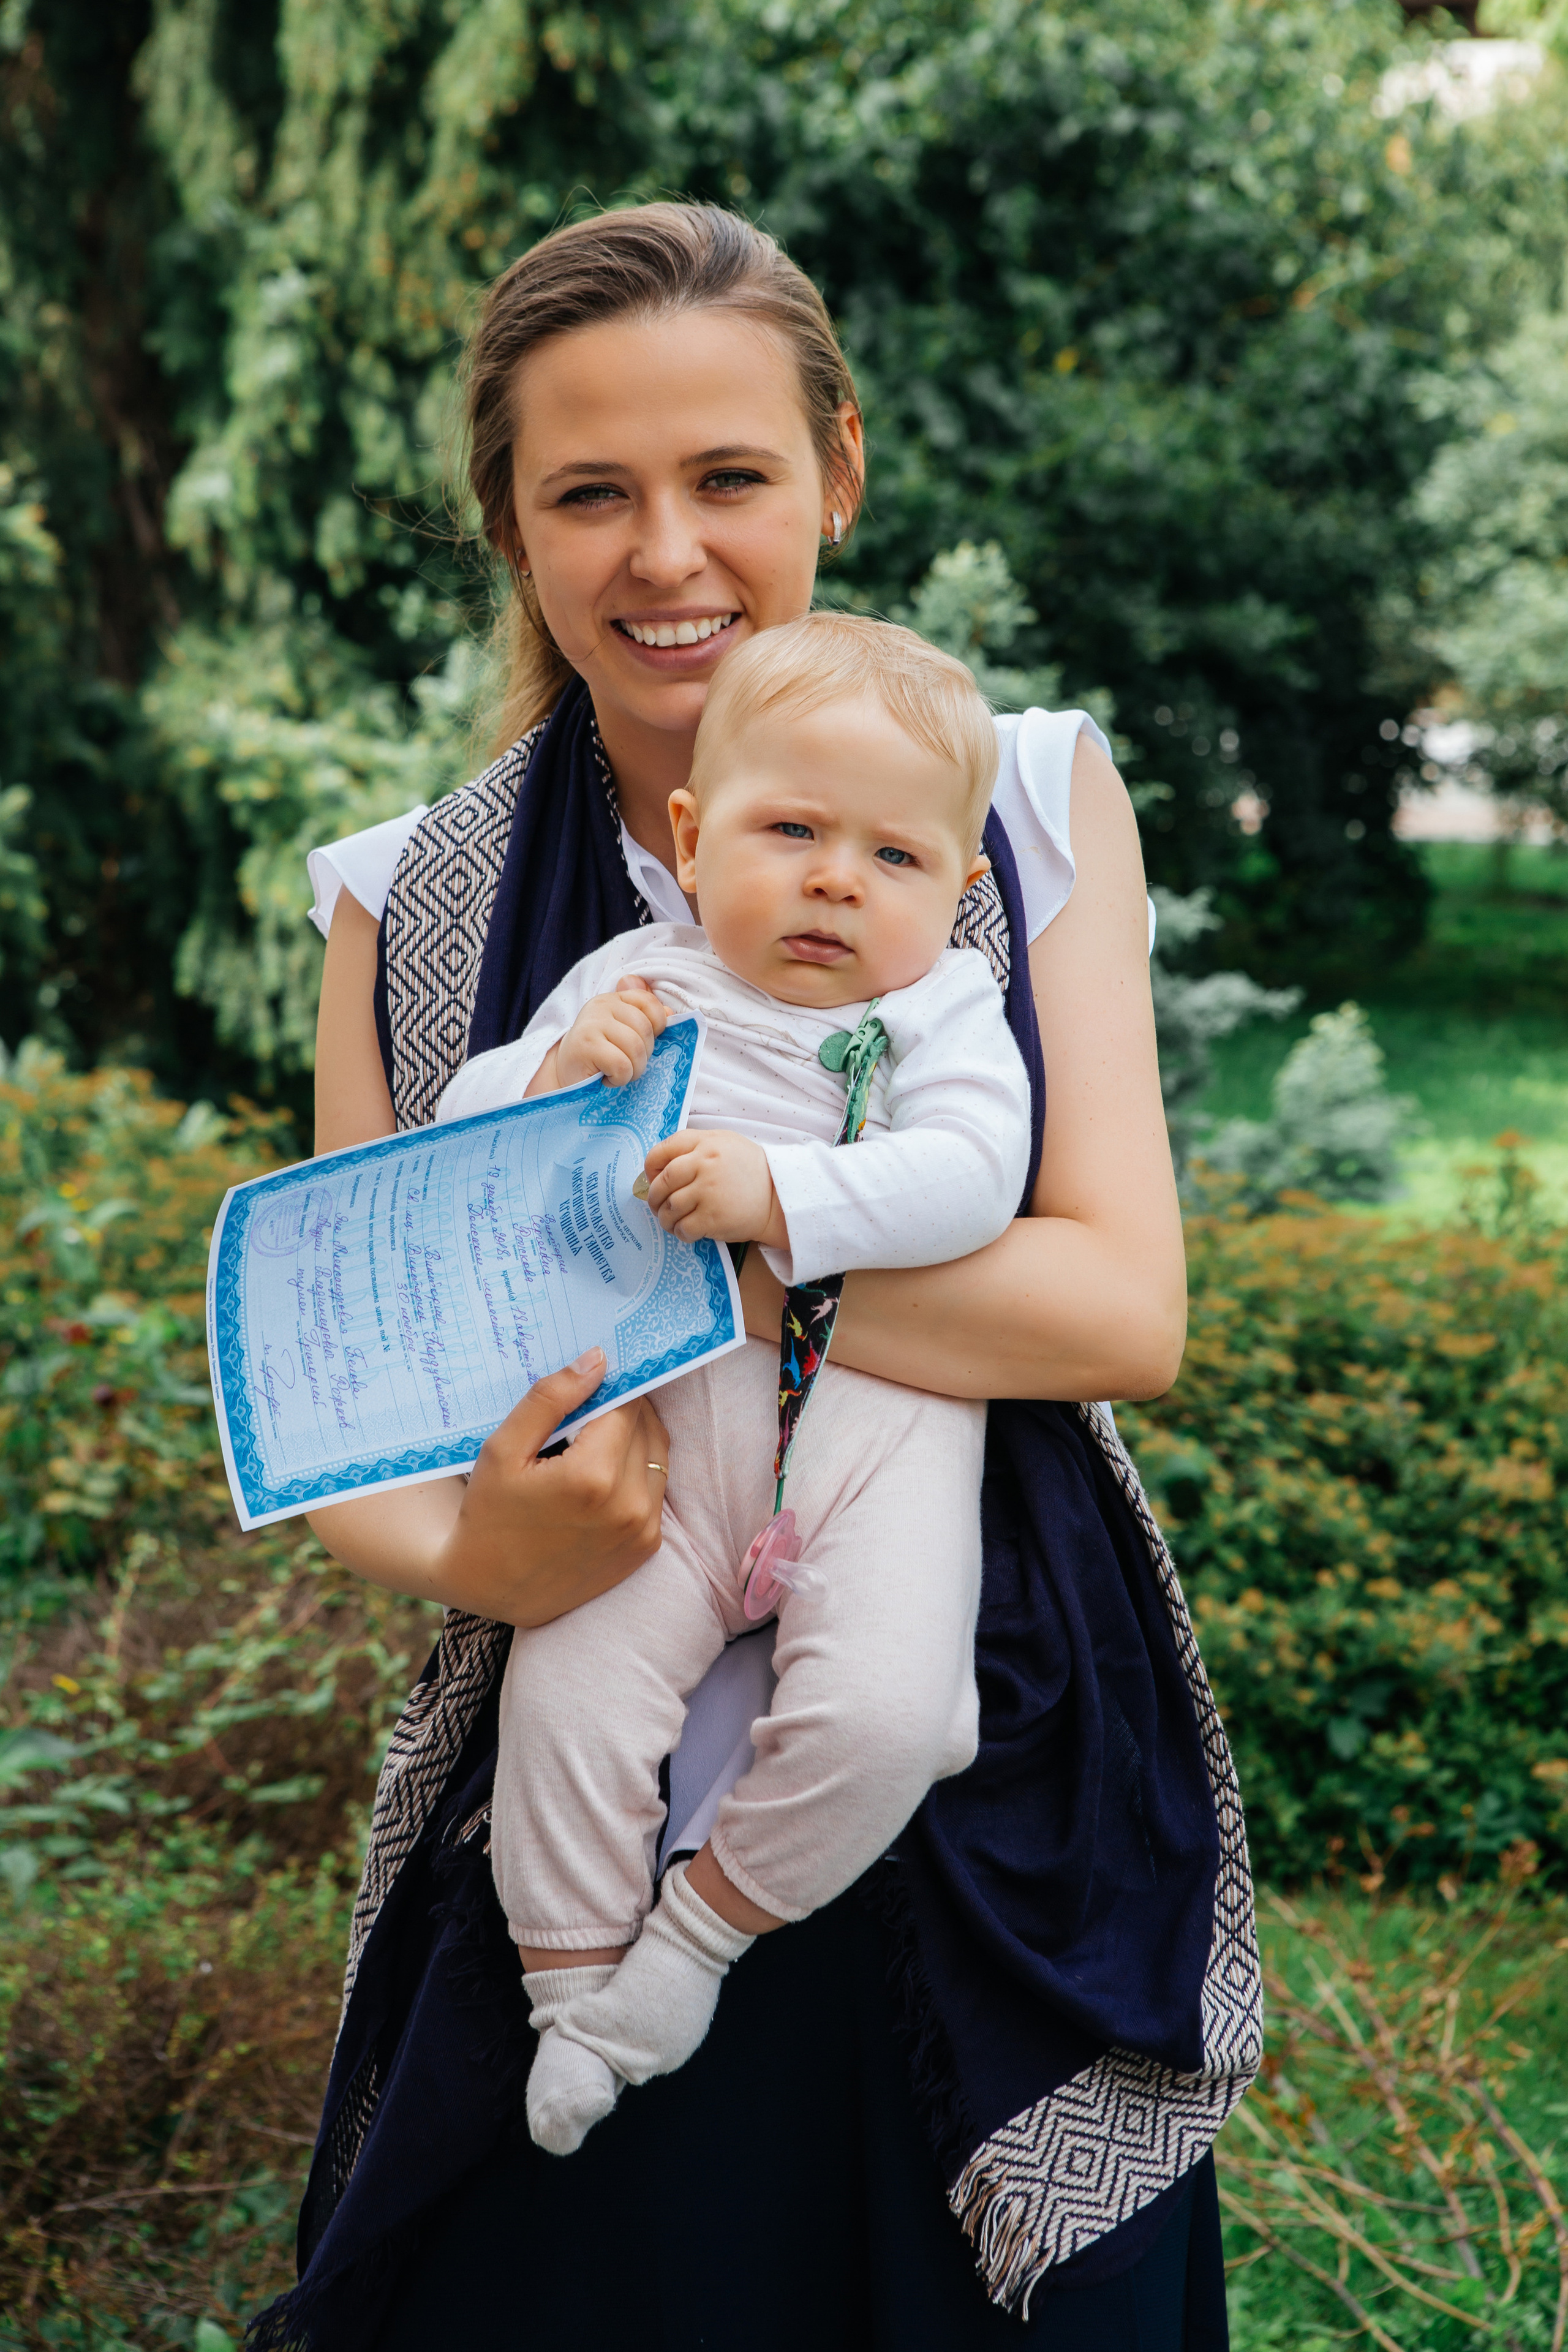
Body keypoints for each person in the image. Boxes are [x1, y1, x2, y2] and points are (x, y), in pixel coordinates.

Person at [254, 202, 1259, 2352]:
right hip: (569, 1741)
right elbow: (364, 1399)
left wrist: (696, 1253)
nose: (666, 554)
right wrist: (478, 1548)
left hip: (983, 1743)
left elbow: (1115, 1314)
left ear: (840, 474)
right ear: (511, 531)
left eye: (728, 479)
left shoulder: (1024, 801)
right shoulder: (410, 905)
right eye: (587, 494)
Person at [436, 612, 1033, 2156]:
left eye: (895, 859)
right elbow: (469, 1129)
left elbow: (977, 1176)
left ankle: (694, 1941)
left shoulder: (936, 1017)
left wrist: (782, 1192)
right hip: (668, 1443)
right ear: (692, 843)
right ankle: (572, 1989)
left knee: (896, 1717)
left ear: (960, 894)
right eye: (791, 832)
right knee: (566, 1702)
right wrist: (559, 1072)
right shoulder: (638, 977)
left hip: (872, 1447)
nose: (838, 879)